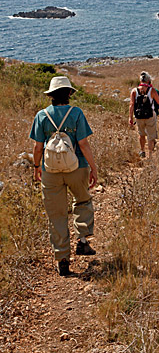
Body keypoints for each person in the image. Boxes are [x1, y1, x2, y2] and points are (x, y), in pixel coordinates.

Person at [30, 76, 98, 277]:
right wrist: (93, 168)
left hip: (50, 171)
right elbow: (84, 144)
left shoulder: (41, 116)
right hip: (77, 168)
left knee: (56, 215)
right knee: (83, 200)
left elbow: (37, 147)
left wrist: (36, 168)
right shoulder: (76, 113)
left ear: (50, 95)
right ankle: (83, 240)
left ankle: (62, 260)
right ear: (69, 93)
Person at [129, 72, 159, 159]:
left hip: (139, 116)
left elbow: (131, 105)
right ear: (148, 80)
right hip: (150, 115)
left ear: (140, 80)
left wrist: (130, 118)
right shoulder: (152, 90)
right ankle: (150, 155)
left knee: (141, 134)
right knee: (151, 136)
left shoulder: (134, 91)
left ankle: (142, 150)